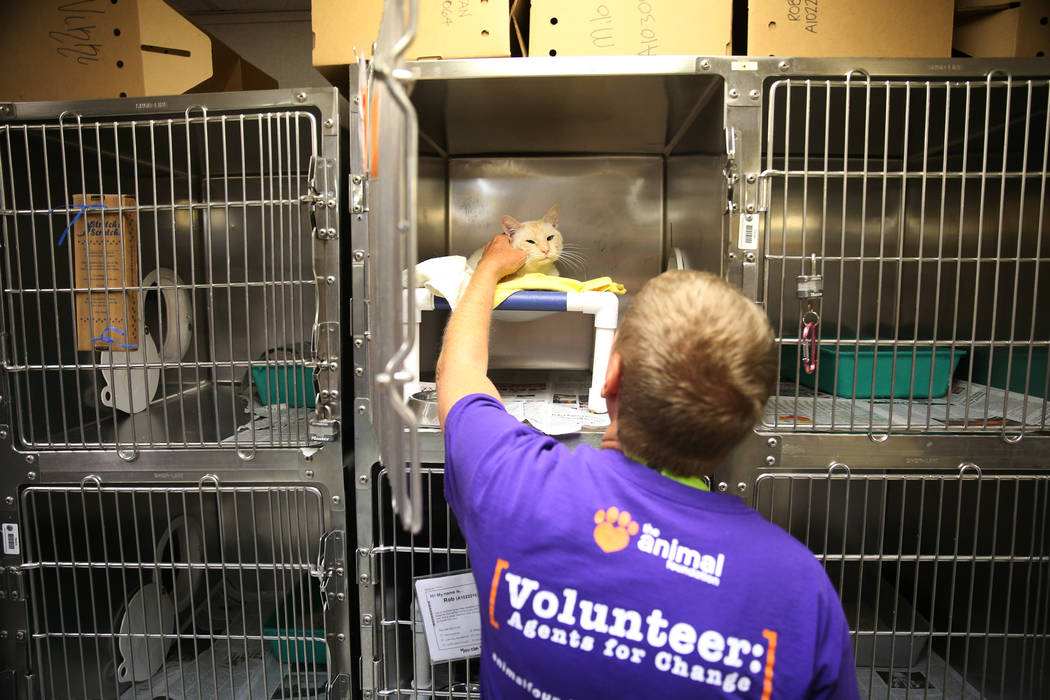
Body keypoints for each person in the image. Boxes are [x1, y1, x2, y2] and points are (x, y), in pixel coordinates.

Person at [436, 233, 859, 699]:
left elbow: (460, 372)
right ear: (751, 416)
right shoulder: (797, 588)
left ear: (611, 376)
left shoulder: (517, 485)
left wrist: (490, 268)